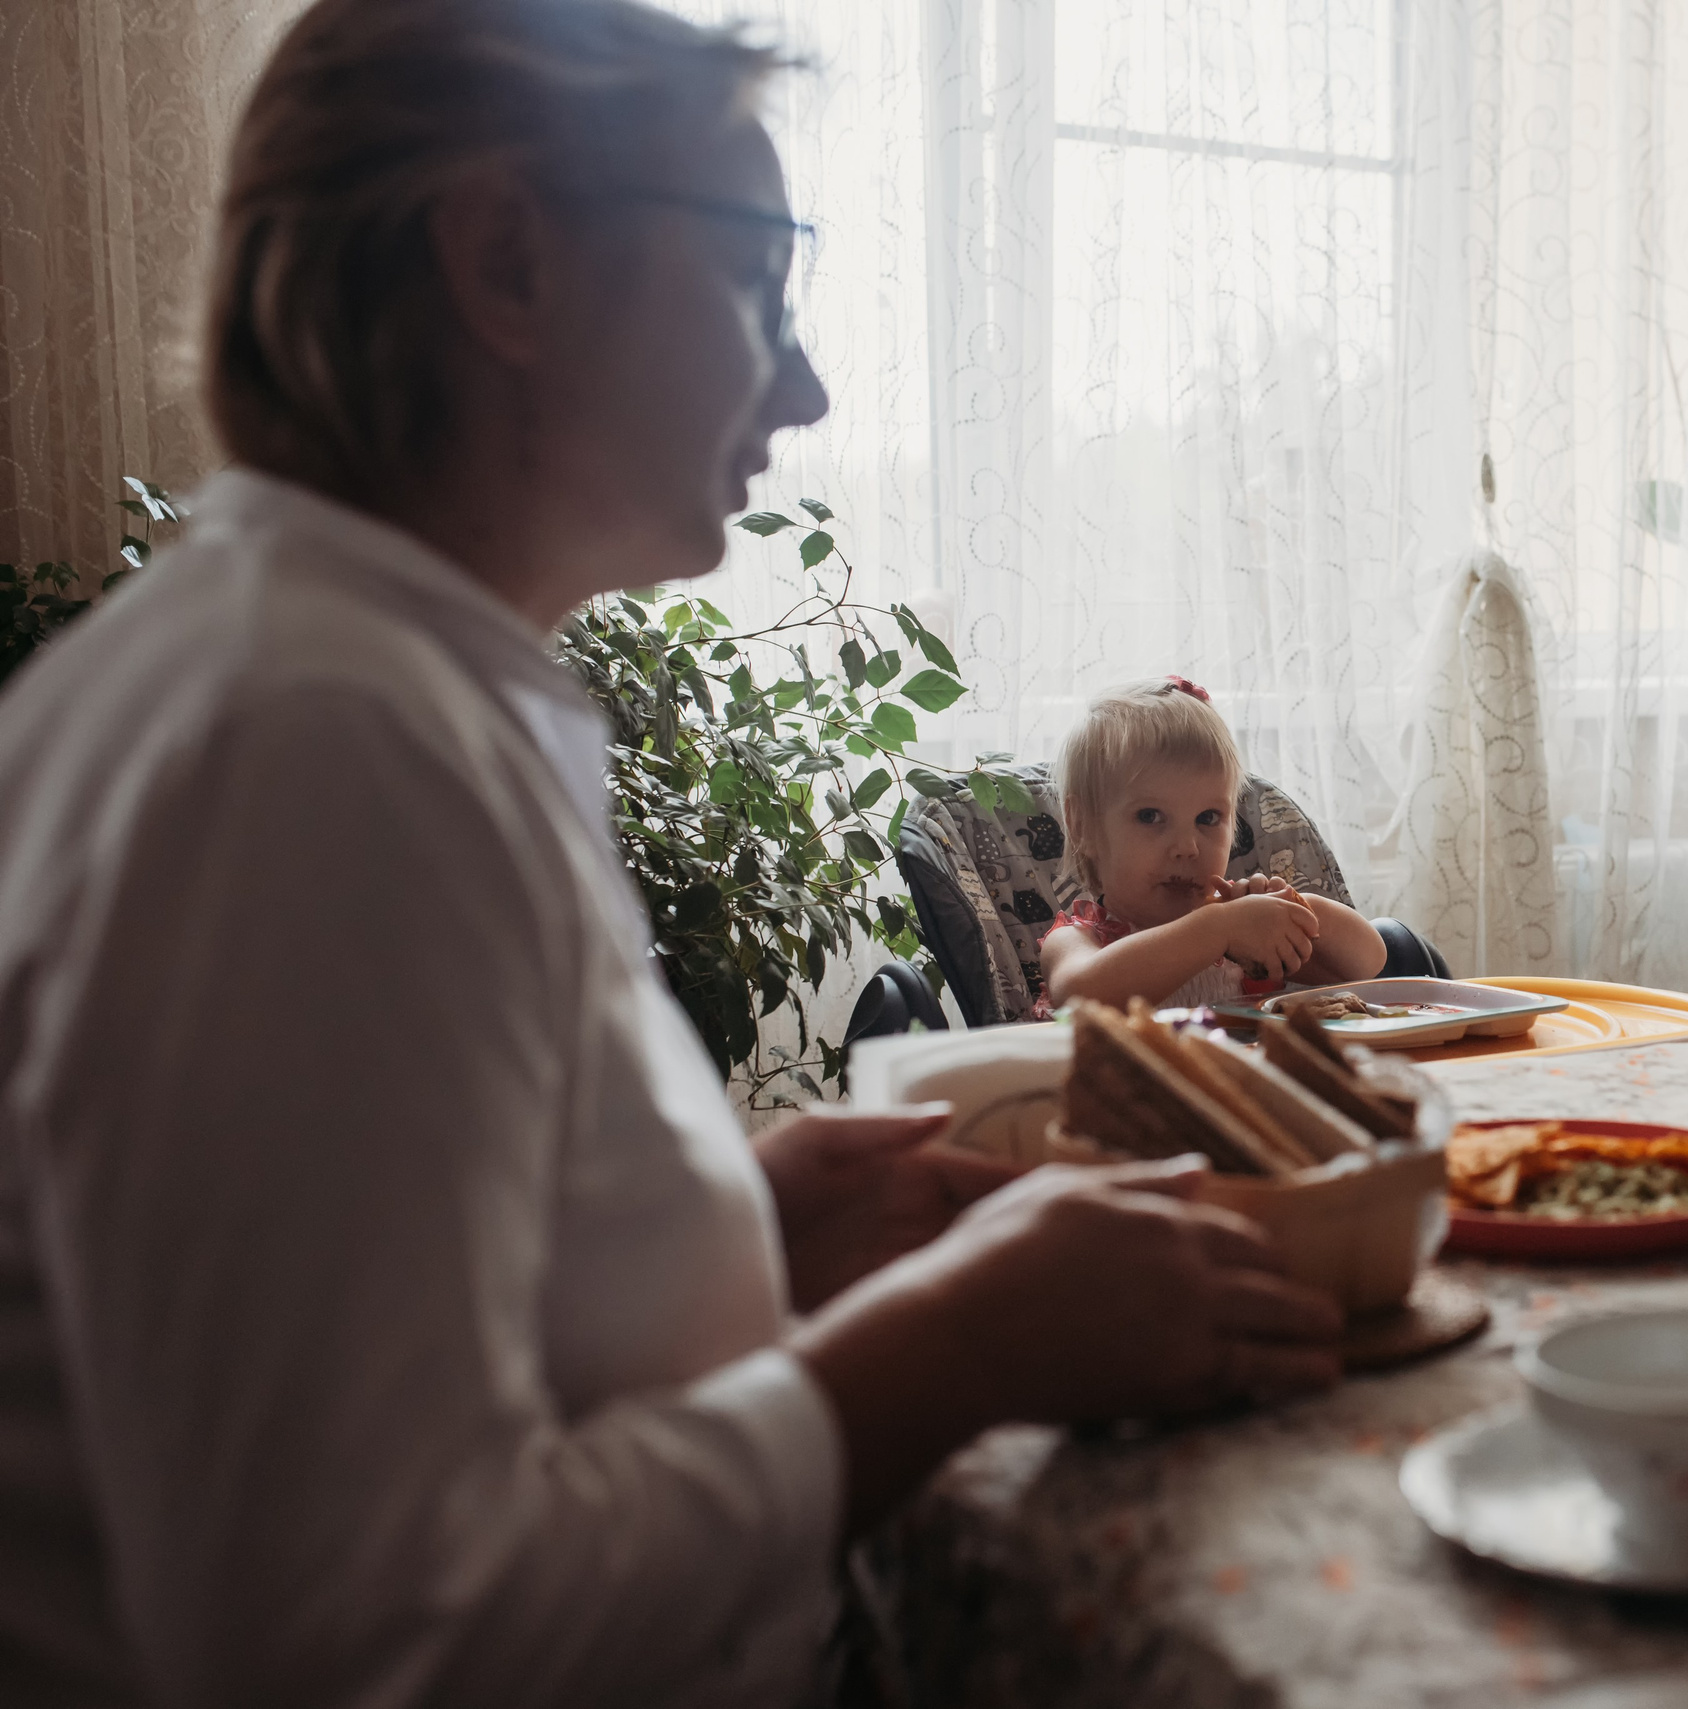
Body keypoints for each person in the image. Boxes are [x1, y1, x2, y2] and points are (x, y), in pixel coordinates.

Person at [0, 3, 1342, 1704]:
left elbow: (383, 1327)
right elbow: (354, 1639)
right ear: (507, 260)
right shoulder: (318, 748)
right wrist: (953, 1344)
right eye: (760, 274)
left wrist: (741, 1241)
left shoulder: (340, 685)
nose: (807, 377)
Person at [1037, 677, 1387, 1012]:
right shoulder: (1076, 940)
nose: (1187, 847)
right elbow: (1080, 996)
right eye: (1150, 816)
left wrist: (1289, 911)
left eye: (1207, 818)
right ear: (1083, 826)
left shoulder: (1244, 938)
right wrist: (1219, 928)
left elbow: (1367, 962)